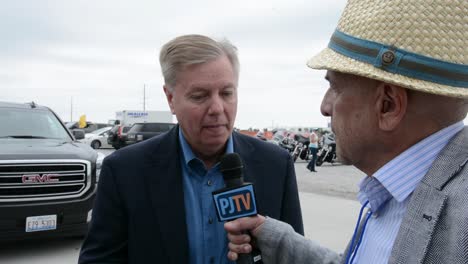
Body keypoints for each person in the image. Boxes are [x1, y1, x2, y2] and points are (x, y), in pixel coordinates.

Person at [225, 0, 468, 263]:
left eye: (335, 87)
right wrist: (275, 237)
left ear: (388, 105)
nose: (324, 107)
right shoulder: (396, 193)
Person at [78, 34, 303, 264]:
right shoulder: (124, 171)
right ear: (170, 99)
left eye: (227, 93)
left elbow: (295, 256)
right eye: (200, 96)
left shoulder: (276, 165)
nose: (217, 108)